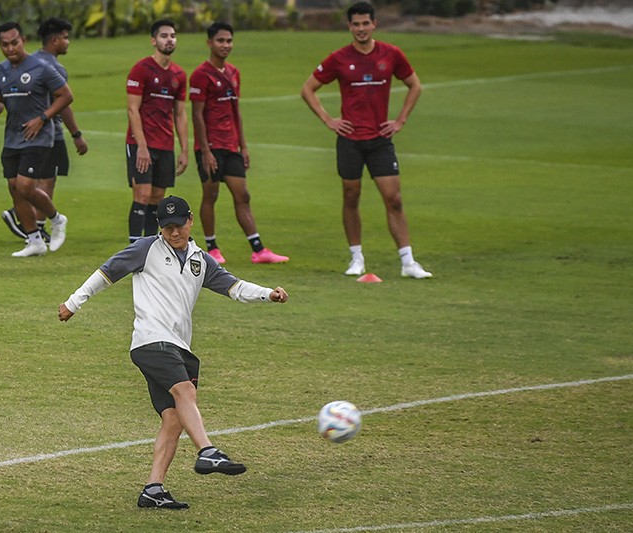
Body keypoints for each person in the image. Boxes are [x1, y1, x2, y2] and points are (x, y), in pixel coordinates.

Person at [58, 195, 289, 509]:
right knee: (185, 392)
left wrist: (268, 294)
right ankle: (207, 451)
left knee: (173, 419)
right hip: (152, 341)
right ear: (160, 226)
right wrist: (74, 303)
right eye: (167, 228)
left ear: (190, 220)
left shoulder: (200, 260)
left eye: (179, 225)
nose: (174, 232)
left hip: (179, 346)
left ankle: (153, 490)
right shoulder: (145, 249)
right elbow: (106, 273)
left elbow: (234, 287)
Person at [300, 1, 432, 278]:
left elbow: (415, 85)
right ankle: (356, 258)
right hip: (349, 140)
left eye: (365, 23)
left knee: (394, 199)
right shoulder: (339, 58)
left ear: (374, 24)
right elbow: (308, 89)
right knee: (351, 196)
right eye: (356, 24)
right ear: (349, 26)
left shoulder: (391, 54)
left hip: (380, 140)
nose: (361, 29)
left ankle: (408, 262)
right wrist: (328, 120)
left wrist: (400, 120)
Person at [189, 22, 289, 265]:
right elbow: (197, 114)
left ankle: (258, 250)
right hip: (210, 147)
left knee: (243, 195)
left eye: (229, 41)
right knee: (211, 195)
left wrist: (243, 146)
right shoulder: (201, 75)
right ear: (209, 43)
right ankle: (212, 249)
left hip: (230, 146)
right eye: (221, 40)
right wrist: (205, 150)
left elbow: (236, 112)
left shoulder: (234, 72)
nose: (226, 45)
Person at [0, 21, 71, 257]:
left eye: (14, 43)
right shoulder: (1, 70)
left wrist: (42, 118)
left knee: (25, 186)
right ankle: (34, 241)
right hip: (12, 137)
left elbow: (65, 96)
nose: (10, 48)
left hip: (38, 136)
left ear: (23, 40)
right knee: (14, 188)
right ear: (0, 45)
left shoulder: (41, 67)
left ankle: (57, 219)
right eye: (5, 45)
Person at [1, 17, 89, 244]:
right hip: (48, 133)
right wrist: (76, 135)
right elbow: (64, 103)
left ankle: (31, 225)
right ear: (55, 40)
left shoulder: (31, 61)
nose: (67, 42)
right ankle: (32, 223)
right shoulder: (53, 67)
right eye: (65, 38)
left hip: (21, 133)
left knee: (30, 180)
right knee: (46, 180)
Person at [125, 20, 189, 244]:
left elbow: (180, 114)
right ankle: (134, 248)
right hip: (140, 143)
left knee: (157, 197)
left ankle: (151, 245)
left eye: (172, 35)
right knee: (142, 194)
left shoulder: (179, 75)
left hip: (165, 144)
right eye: (164, 36)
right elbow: (132, 109)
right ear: (154, 41)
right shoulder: (141, 69)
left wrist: (184, 150)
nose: (169, 39)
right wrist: (141, 147)